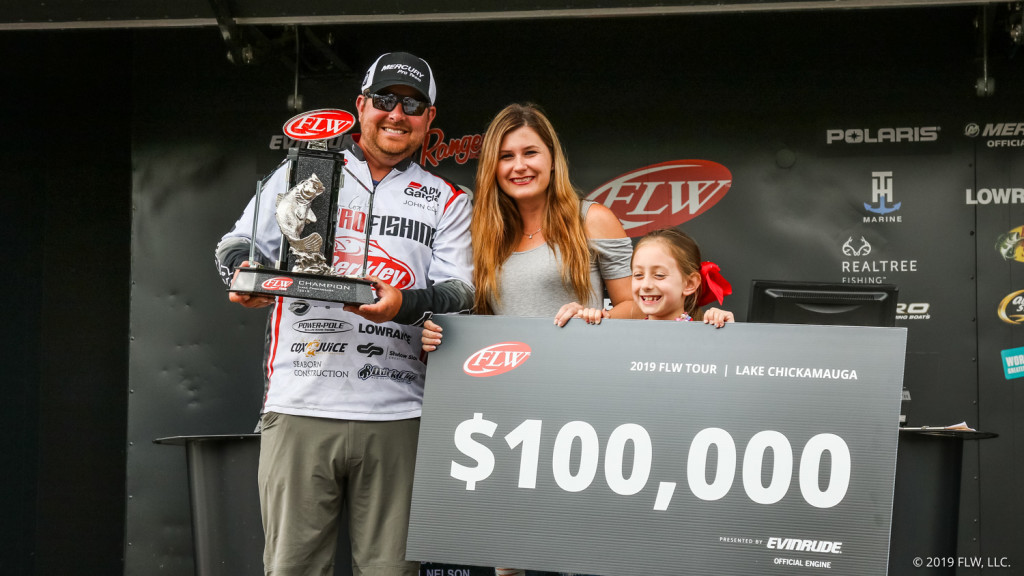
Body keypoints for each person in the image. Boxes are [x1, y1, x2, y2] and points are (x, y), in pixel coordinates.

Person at [214, 52, 474, 576]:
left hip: (400, 410)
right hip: (302, 400)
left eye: (413, 105)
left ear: (429, 120)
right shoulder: (303, 169)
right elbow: (234, 244)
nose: (396, 114)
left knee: (392, 571)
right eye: (384, 101)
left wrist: (405, 304)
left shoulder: (447, 199)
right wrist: (247, 278)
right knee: (292, 568)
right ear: (360, 106)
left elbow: (460, 290)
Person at [577, 227, 734, 325]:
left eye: (659, 275)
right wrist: (586, 323)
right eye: (638, 275)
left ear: (690, 284)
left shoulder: (706, 335)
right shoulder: (622, 336)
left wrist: (727, 333)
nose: (646, 285)